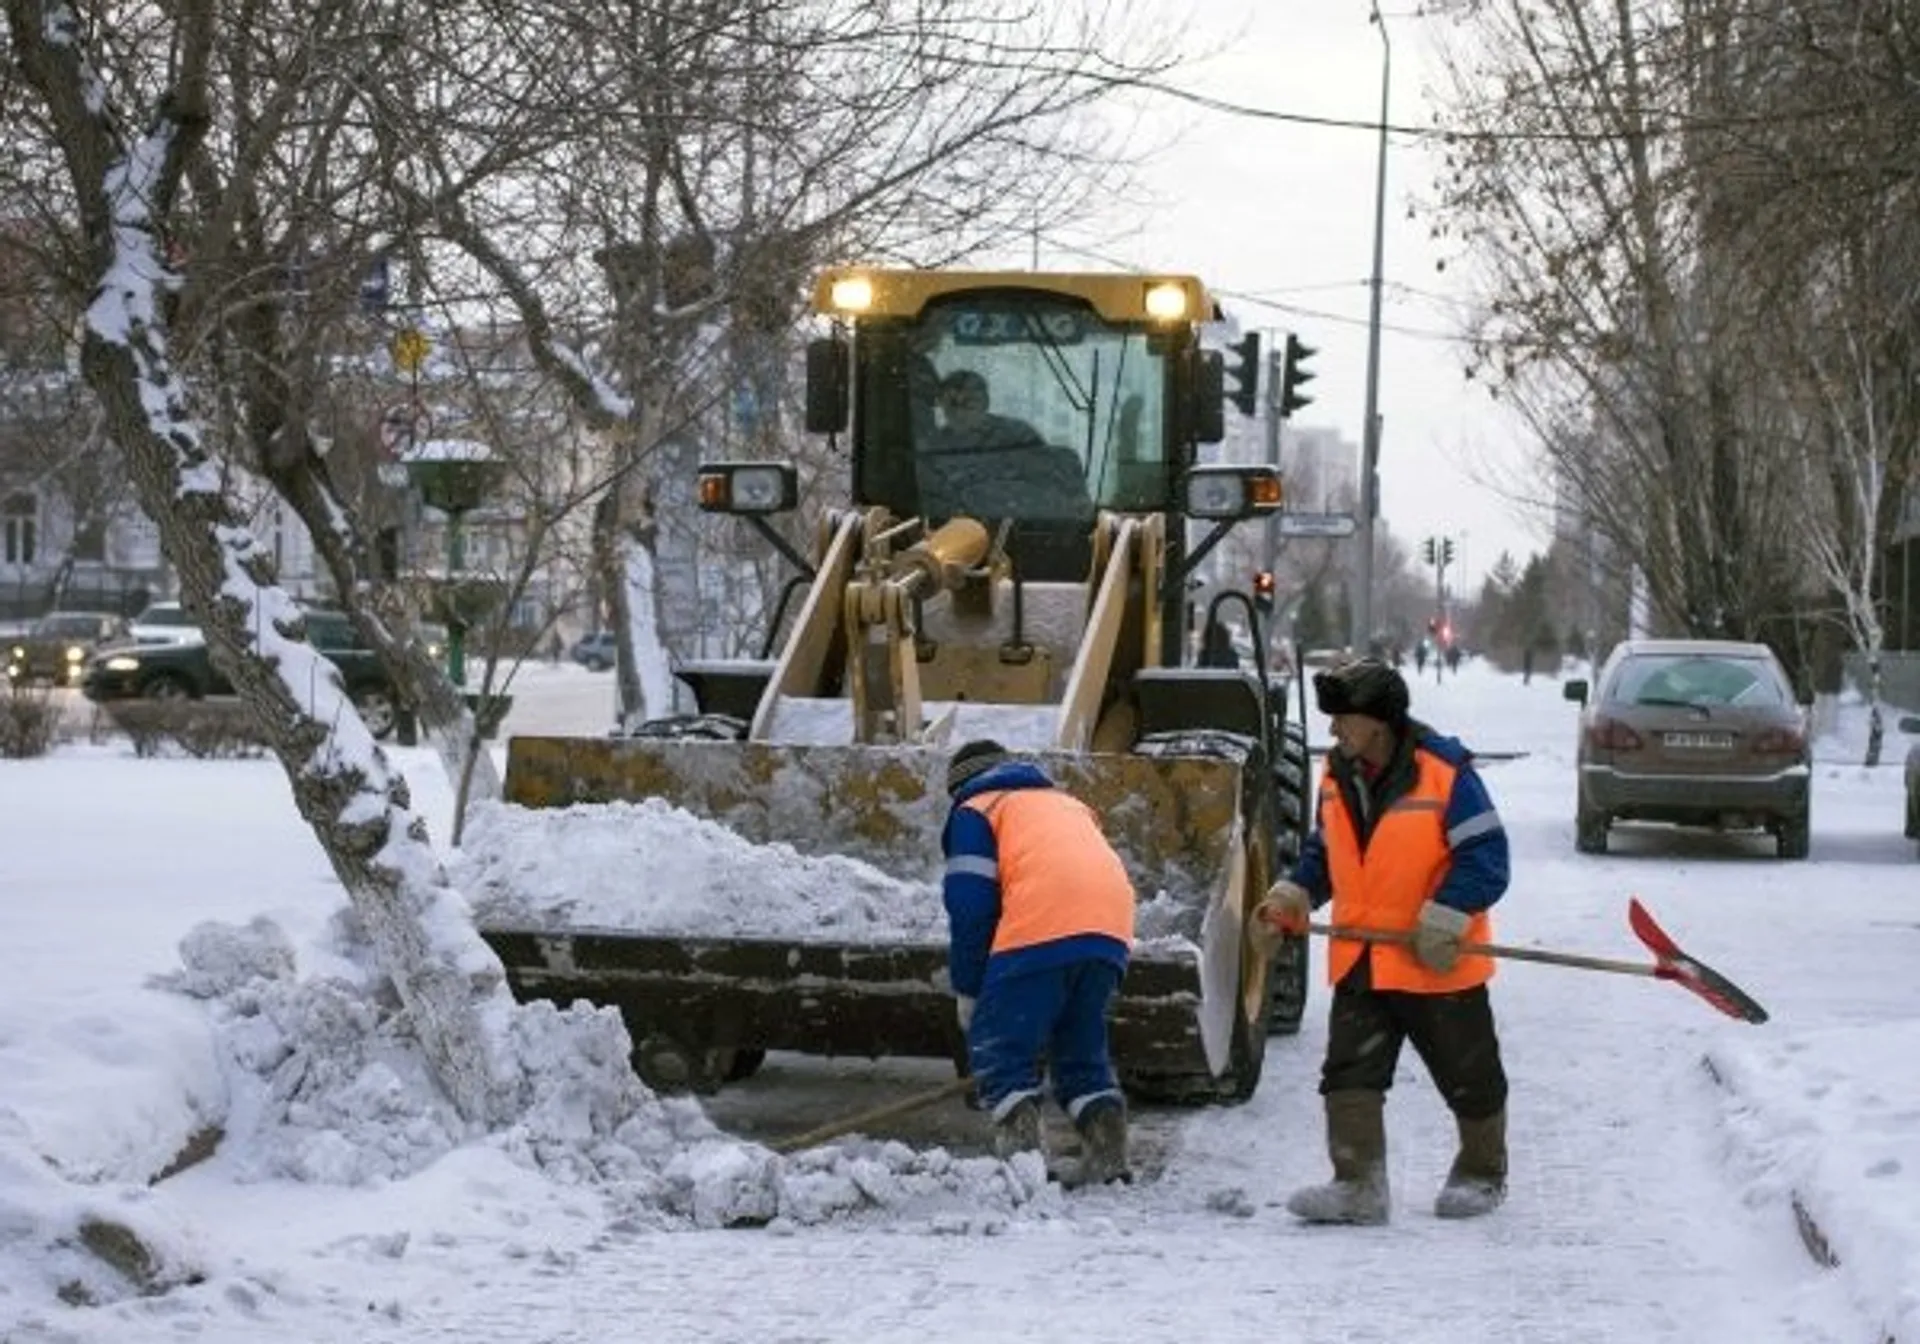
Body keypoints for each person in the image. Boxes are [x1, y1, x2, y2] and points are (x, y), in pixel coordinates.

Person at [1255, 656, 1511, 1224]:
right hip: (1362, 955)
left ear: (1380, 722)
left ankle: (1482, 1171)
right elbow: (1328, 852)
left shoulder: (1445, 772)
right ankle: (1358, 1185)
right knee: (1349, 1074)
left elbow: (1487, 857)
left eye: (1344, 718)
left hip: (1435, 958)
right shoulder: (1335, 775)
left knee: (1469, 1076)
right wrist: (1294, 894)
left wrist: (1447, 913)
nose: (1334, 729)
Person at [941, 738, 1136, 1185]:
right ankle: (1108, 1155)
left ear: (959, 788)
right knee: (1080, 1047)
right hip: (1110, 928)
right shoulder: (1064, 804)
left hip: (1045, 920)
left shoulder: (975, 809)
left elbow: (971, 907)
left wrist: (970, 990)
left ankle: (1023, 1165)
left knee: (1000, 1047)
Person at [918, 371, 1092, 524]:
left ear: (985, 402)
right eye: (953, 403)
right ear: (941, 404)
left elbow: (1050, 489)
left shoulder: (1018, 436)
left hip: (1025, 528)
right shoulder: (931, 449)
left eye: (970, 401)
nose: (960, 410)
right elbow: (927, 502)